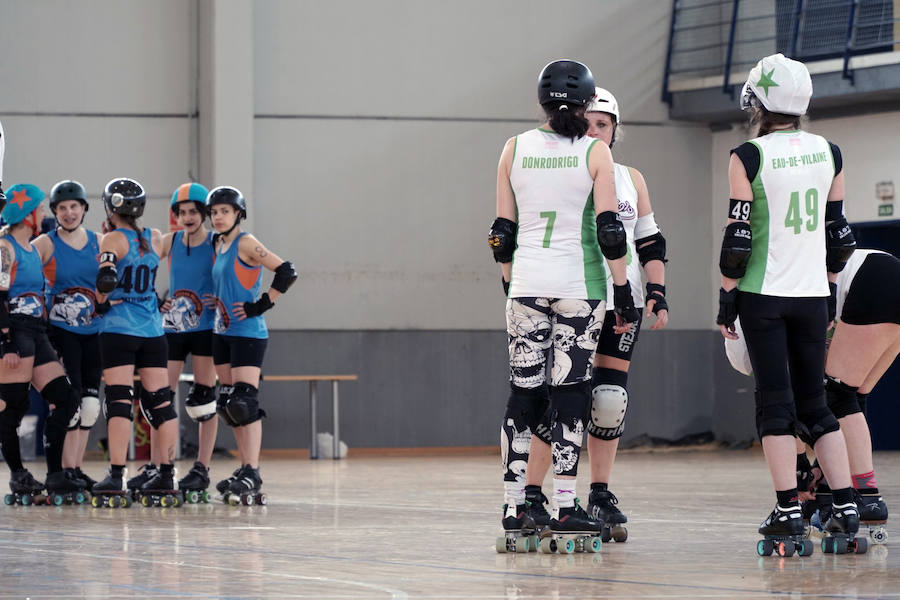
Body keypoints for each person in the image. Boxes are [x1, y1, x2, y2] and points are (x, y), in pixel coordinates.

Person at [716, 53, 861, 553]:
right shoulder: (831, 152)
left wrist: (727, 297)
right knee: (818, 405)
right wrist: (828, 289)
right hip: (813, 295)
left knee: (775, 407)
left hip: (763, 294)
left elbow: (738, 242)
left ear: (758, 102)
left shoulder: (748, 156)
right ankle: (845, 504)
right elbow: (839, 238)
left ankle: (787, 510)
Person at [492, 59, 639, 550]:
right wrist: (623, 292)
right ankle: (566, 505)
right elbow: (610, 232)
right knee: (571, 394)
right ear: (585, 104)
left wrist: (509, 282)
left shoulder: (513, 149)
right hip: (581, 287)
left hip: (526, 287)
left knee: (524, 395)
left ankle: (514, 508)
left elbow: (502, 234)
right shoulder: (596, 152)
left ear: (541, 103)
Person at [518, 88, 670, 540]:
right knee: (562, 398)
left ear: (615, 130)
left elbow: (649, 241)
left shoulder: (630, 178)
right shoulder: (562, 170)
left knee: (609, 401)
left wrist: (657, 290)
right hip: (574, 295)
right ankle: (532, 494)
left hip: (626, 299)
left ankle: (600, 492)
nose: (594, 130)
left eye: (603, 124)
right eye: (587, 122)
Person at [725, 247, 897, 543]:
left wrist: (801, 467)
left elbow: (785, 406)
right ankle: (853, 493)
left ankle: (867, 497)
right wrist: (818, 469)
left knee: (835, 396)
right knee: (851, 397)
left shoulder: (751, 331)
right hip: (884, 272)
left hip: (870, 280)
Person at [206, 186, 297, 502]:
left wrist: (262, 304)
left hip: (248, 332)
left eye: (225, 211)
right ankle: (244, 468)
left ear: (238, 214)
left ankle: (253, 470)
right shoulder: (218, 244)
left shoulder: (246, 242)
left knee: (244, 402)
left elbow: (286, 272)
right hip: (222, 331)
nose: (218, 217)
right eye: (214, 212)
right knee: (229, 406)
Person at [91, 178, 179, 503]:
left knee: (118, 401)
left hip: (119, 330)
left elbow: (106, 278)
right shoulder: (154, 237)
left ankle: (116, 477)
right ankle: (167, 476)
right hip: (154, 333)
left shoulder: (112, 237)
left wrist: (101, 300)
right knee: (160, 404)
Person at [0, 184, 84, 502]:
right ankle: (19, 475)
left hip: (36, 331)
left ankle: (54, 474)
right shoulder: (4, 247)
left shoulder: (33, 248)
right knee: (13, 406)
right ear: (29, 213)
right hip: (14, 331)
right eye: (40, 209)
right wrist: (5, 342)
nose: (44, 214)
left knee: (65, 398)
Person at [32, 180, 102, 489]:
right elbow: (20, 269)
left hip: (95, 331)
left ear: (84, 208)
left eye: (74, 206)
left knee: (89, 405)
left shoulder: (101, 241)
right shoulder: (45, 243)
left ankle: (75, 467)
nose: (69, 213)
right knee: (68, 403)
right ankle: (61, 469)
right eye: (62, 208)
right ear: (54, 212)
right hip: (61, 332)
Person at [161, 182, 218, 500]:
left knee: (203, 400)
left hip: (206, 327)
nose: (187, 217)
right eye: (182, 212)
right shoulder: (170, 241)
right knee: (162, 399)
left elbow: (238, 271)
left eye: (193, 211)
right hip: (174, 327)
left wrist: (223, 297)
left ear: (204, 213)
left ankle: (201, 468)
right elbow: (138, 264)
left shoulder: (216, 241)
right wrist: (157, 299)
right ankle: (162, 465)